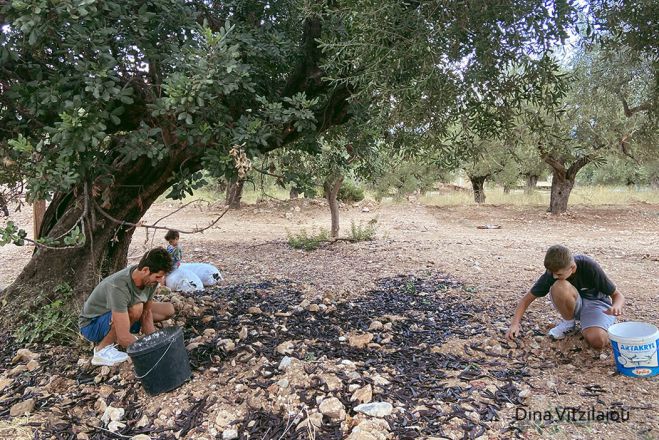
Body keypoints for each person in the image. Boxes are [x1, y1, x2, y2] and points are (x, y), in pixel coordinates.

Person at [506, 245, 625, 349]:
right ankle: (569, 324)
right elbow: (526, 299)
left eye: (558, 274)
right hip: (574, 303)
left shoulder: (589, 266)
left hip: (596, 304)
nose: (554, 276)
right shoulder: (552, 274)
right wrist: (515, 324)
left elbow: (617, 295)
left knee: (598, 342)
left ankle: (599, 324)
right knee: (559, 285)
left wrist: (616, 306)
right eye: (551, 272)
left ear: (572, 268)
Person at [79, 247, 175, 366]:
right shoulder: (119, 285)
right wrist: (150, 352)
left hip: (121, 314)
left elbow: (146, 313)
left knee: (167, 309)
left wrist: (153, 341)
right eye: (158, 277)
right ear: (145, 270)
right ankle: (102, 350)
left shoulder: (150, 281)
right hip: (92, 325)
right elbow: (123, 338)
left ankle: (128, 329)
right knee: (136, 308)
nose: (161, 281)